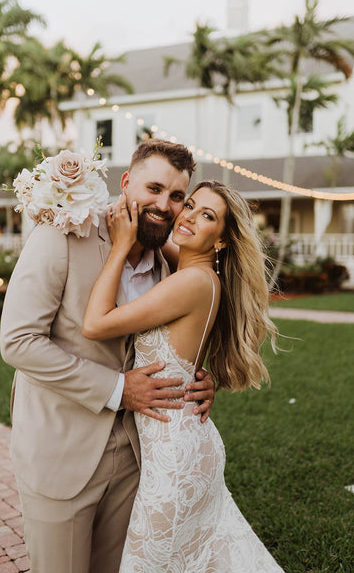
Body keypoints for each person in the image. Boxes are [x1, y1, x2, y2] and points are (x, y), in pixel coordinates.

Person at [0, 139, 215, 573]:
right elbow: (18, 341)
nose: (164, 205)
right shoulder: (62, 234)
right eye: (153, 188)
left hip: (136, 459)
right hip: (60, 453)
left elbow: (168, 341)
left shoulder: (169, 267)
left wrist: (199, 378)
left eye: (177, 197)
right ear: (125, 182)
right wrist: (118, 389)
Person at [82, 179, 285, 572]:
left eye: (206, 215)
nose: (188, 216)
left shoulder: (192, 281)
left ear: (222, 240)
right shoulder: (196, 271)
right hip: (185, 443)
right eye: (189, 205)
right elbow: (164, 240)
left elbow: (94, 323)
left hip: (175, 459)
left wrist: (121, 245)